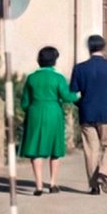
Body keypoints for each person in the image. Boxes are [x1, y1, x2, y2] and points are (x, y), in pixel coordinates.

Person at [69, 35, 107, 196]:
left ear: (89, 48)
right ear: (103, 48)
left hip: (87, 114)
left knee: (91, 149)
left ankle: (94, 186)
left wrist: (82, 105)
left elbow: (73, 93)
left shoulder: (79, 68)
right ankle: (104, 172)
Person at [21, 46, 79, 196]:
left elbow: (24, 102)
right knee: (55, 148)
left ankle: (38, 186)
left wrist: (31, 109)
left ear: (39, 60)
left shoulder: (31, 78)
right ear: (54, 61)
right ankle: (53, 183)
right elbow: (67, 97)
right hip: (53, 112)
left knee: (36, 148)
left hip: (35, 111)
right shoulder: (58, 78)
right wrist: (78, 95)